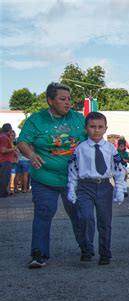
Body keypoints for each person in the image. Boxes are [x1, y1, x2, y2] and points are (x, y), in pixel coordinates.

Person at [17, 82, 85, 268]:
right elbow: (22, 141)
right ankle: (39, 254)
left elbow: (92, 139)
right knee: (43, 214)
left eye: (69, 99)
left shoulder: (78, 119)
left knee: (78, 214)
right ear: (50, 100)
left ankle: (86, 247)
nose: (67, 103)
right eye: (62, 99)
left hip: (74, 179)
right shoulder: (36, 120)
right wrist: (31, 155)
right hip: (44, 178)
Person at [67, 112, 126, 265]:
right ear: (86, 128)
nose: (96, 130)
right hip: (85, 186)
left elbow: (118, 169)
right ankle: (87, 249)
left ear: (106, 128)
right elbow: (73, 169)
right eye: (92, 127)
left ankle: (105, 253)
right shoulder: (80, 148)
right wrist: (71, 189)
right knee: (86, 218)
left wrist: (120, 188)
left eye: (100, 127)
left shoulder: (110, 149)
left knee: (105, 221)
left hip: (104, 186)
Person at [0, 123, 15, 197]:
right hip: (5, 160)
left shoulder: (2, 136)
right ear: (9, 129)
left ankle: (4, 192)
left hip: (3, 160)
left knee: (3, 177)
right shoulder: (4, 137)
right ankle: (3, 193)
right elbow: (3, 150)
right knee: (4, 177)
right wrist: (13, 148)